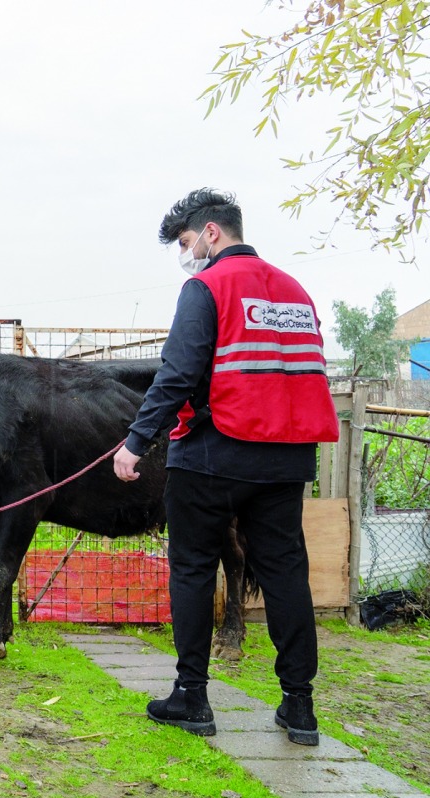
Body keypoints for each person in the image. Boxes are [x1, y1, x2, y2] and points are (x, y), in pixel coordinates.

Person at [112, 188, 340, 746]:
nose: (188, 254)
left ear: (211, 233)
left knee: (191, 567)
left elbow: (177, 374)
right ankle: (299, 707)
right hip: (287, 459)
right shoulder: (296, 292)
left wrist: (135, 442)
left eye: (187, 242)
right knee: (286, 571)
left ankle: (192, 697)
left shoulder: (206, 286)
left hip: (213, 453)